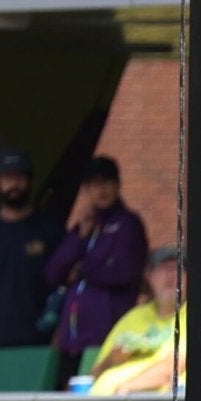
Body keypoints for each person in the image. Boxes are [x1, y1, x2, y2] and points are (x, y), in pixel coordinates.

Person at [44, 155, 148, 370]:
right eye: (93, 184)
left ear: (117, 184)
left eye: (106, 182)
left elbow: (125, 271)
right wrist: (81, 237)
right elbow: (53, 273)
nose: (100, 190)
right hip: (71, 339)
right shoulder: (85, 225)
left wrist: (83, 269)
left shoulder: (128, 224)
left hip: (107, 334)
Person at [0, 152, 63, 355]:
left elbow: (64, 290)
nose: (14, 184)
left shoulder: (51, 231)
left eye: (19, 177)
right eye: (7, 178)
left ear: (30, 180)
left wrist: (58, 340)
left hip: (38, 342)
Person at [88, 247, 186, 397]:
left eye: (179, 268)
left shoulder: (197, 316)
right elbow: (92, 376)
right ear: (149, 276)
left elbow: (174, 366)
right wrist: (111, 360)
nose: (172, 274)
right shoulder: (133, 317)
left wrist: (126, 389)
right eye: (164, 268)